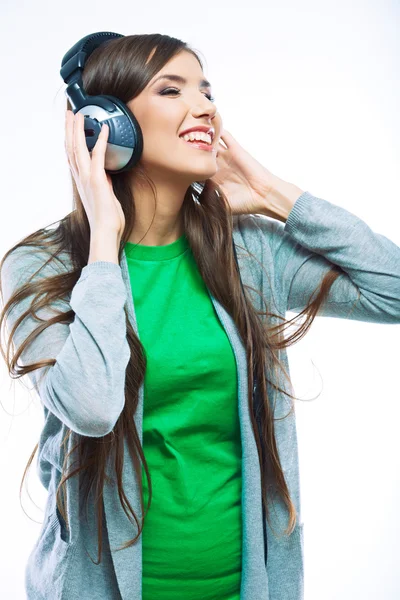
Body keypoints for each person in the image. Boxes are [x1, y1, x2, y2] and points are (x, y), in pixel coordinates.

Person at [1, 33, 400, 600]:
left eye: (206, 89)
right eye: (172, 89)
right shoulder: (43, 267)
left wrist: (273, 194)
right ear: (106, 125)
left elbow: (394, 288)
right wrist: (105, 249)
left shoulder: (248, 253)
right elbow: (90, 406)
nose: (206, 106)